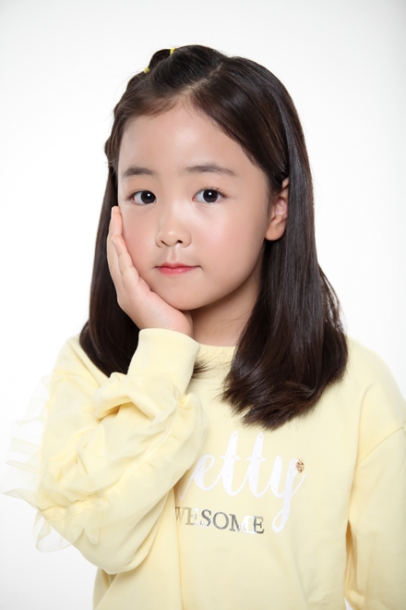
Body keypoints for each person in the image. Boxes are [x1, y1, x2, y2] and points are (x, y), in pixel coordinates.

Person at [3, 45, 405, 609]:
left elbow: (385, 594)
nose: (169, 229)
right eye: (144, 195)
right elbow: (103, 536)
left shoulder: (354, 387)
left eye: (208, 194)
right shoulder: (96, 365)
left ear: (277, 208)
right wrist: (164, 351)